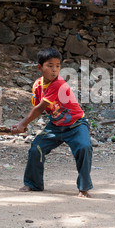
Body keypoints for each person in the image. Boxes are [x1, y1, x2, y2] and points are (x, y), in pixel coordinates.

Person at [11, 48, 93, 198]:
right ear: (39, 67)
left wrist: (22, 123)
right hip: (55, 126)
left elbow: (41, 107)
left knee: (84, 147)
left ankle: (83, 188)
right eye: (50, 65)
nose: (54, 70)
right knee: (36, 148)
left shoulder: (58, 83)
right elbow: (37, 108)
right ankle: (32, 183)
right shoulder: (37, 86)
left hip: (76, 125)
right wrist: (24, 124)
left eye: (58, 66)